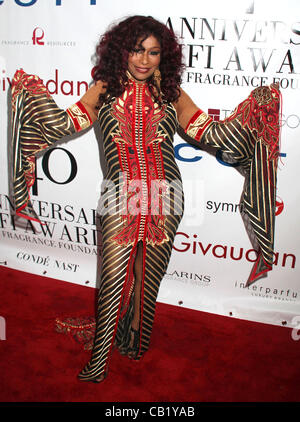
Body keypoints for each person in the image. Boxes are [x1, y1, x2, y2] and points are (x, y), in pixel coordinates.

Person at [11, 15, 281, 383]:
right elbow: (66, 124)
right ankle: (100, 358)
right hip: (119, 195)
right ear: (122, 50)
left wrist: (254, 116)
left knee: (147, 276)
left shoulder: (172, 92)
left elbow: (210, 133)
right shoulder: (104, 88)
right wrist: (30, 99)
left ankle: (135, 340)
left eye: (154, 52)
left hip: (166, 196)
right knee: (111, 278)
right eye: (137, 50)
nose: (144, 59)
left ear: (163, 56)